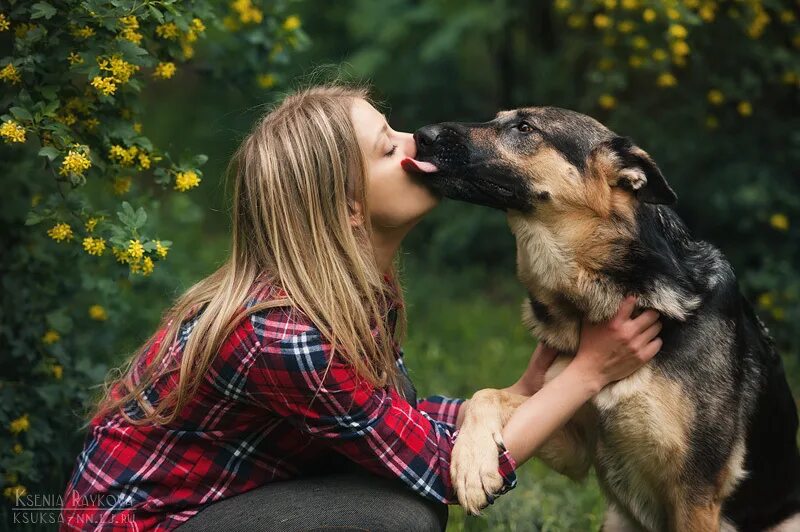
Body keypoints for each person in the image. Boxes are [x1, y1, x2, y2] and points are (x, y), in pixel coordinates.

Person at [60, 85, 662, 531]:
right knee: (398, 515)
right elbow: (438, 470)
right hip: (146, 524)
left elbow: (383, 419)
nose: (414, 141)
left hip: (218, 503)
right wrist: (588, 372)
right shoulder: (286, 335)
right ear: (349, 207)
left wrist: (521, 391)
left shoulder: (349, 293)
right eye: (386, 148)